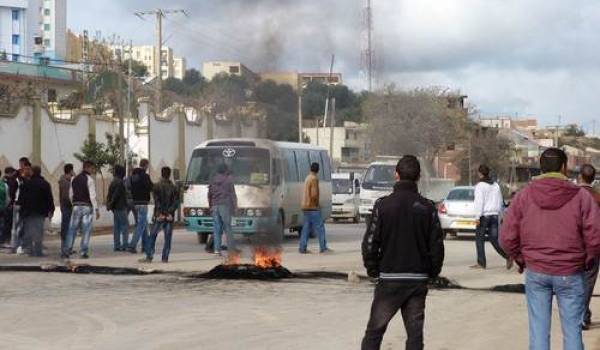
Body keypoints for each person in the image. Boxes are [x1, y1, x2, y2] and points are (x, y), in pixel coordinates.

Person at [501, 148, 600, 350]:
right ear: (564, 168)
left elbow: (507, 237)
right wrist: (587, 259)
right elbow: (595, 236)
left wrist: (521, 258)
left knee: (538, 331)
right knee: (573, 331)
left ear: (541, 167)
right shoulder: (582, 197)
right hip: (571, 272)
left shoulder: (523, 196)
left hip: (537, 271)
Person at [361, 156, 445, 350]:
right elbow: (437, 247)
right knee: (415, 336)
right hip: (417, 280)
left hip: (389, 279)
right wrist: (432, 273)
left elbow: (370, 244)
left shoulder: (383, 206)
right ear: (419, 177)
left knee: (374, 333)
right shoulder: (428, 208)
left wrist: (373, 270)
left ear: (396, 175)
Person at [472, 164, 512, 270]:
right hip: (494, 215)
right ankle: (507, 256)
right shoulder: (495, 185)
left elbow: (479, 202)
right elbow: (500, 200)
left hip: (484, 216)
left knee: (479, 239)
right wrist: (501, 214)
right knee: (494, 239)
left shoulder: (480, 186)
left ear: (479, 173)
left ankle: (481, 263)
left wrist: (477, 217)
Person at [577, 164, 600, 330]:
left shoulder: (572, 196)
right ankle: (582, 314)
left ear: (580, 176)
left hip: (575, 244)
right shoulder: (597, 197)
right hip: (593, 245)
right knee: (588, 281)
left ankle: (582, 314)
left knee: (576, 281)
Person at [140, 166, 179, 263]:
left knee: (152, 235)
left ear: (161, 174)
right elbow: (175, 203)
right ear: (169, 175)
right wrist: (169, 213)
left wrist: (161, 214)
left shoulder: (156, 186)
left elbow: (157, 202)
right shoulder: (174, 188)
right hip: (169, 216)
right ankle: (165, 257)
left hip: (159, 215)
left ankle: (149, 256)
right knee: (168, 237)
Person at [62, 161, 100, 259]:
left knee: (72, 229)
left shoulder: (74, 179)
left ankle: (67, 250)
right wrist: (96, 209)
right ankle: (83, 252)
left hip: (76, 206)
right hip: (87, 207)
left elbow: (70, 194)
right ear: (87, 168)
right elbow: (92, 196)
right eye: (92, 168)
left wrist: (73, 204)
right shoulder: (89, 180)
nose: (92, 170)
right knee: (86, 230)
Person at [17, 166, 54, 257]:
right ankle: (38, 251)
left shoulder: (26, 184)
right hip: (40, 212)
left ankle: (30, 250)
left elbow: (21, 199)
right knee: (39, 231)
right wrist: (51, 209)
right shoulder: (45, 184)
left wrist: (21, 210)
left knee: (28, 230)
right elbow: (49, 198)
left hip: (28, 212)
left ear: (32, 172)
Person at [299, 162, 331, 254]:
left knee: (306, 228)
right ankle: (323, 247)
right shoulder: (314, 179)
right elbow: (314, 194)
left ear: (310, 169)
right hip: (312, 207)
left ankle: (302, 247)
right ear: (318, 170)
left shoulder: (307, 178)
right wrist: (317, 205)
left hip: (305, 206)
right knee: (320, 227)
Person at [208, 163, 237, 257]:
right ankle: (231, 250)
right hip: (225, 205)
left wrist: (210, 206)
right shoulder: (228, 180)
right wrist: (235, 207)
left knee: (216, 228)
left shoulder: (212, 180)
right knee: (228, 228)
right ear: (225, 170)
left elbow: (209, 194)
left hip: (215, 205)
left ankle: (217, 250)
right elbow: (232, 195)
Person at [127, 159, 153, 254]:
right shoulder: (145, 176)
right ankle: (132, 245)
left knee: (144, 224)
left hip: (135, 203)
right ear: (145, 165)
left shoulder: (132, 177)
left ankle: (145, 247)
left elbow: (129, 187)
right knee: (141, 225)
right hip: (143, 203)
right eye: (147, 166)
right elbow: (150, 187)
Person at [11, 158, 31, 254]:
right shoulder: (18, 177)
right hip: (18, 204)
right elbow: (13, 190)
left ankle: (22, 245)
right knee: (17, 226)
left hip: (25, 205)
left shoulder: (28, 179)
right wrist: (12, 202)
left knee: (23, 226)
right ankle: (16, 246)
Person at [107, 164, 129, 252]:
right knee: (125, 226)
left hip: (115, 208)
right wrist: (111, 204)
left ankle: (117, 245)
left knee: (117, 227)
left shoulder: (113, 182)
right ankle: (124, 245)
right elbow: (116, 195)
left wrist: (110, 205)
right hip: (121, 207)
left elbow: (109, 194)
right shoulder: (120, 182)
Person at [58, 163, 74, 252]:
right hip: (67, 206)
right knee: (66, 227)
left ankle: (67, 247)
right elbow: (65, 196)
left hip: (65, 206)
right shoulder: (65, 181)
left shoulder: (64, 180)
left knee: (67, 227)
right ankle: (65, 248)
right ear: (70, 171)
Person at [0, 169, 9, 247]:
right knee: (2, 224)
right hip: (2, 208)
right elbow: (7, 198)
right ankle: (1, 241)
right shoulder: (4, 185)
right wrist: (5, 206)